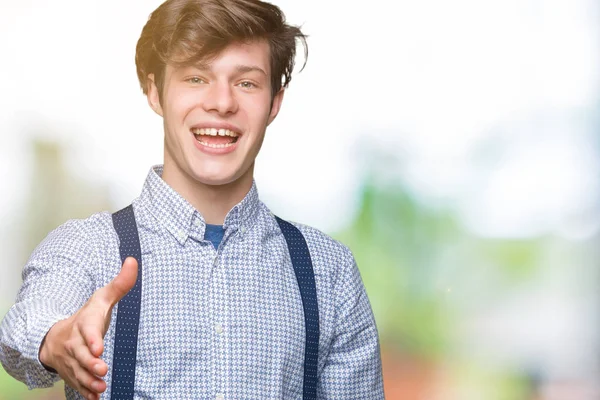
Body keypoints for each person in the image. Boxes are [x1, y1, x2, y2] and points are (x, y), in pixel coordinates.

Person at [0, 0, 384, 398]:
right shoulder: (89, 248)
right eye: (196, 78)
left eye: (247, 82)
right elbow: (23, 329)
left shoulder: (329, 273)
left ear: (274, 102)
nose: (221, 102)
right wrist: (59, 340)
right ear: (154, 92)